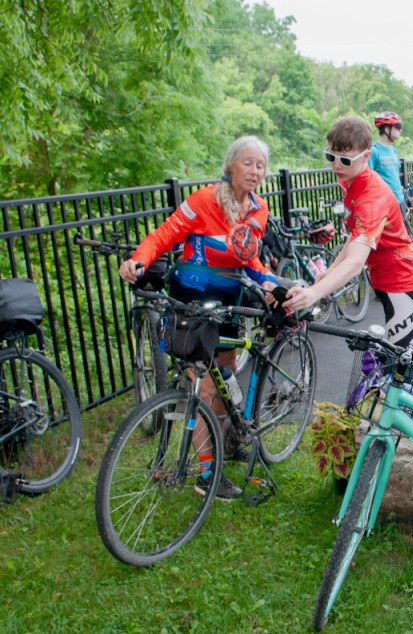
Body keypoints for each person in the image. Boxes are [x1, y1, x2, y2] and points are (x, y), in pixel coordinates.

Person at [119, 135, 279, 501]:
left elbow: (247, 257)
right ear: (231, 165)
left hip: (230, 302)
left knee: (223, 378)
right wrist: (139, 260)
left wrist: (268, 281)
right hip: (192, 302)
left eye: (260, 165)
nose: (255, 171)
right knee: (203, 388)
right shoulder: (204, 200)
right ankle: (208, 475)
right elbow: (165, 235)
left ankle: (225, 441)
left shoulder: (258, 208)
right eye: (248, 163)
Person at [285, 116, 413, 349]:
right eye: (331, 157)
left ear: (366, 156)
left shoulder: (371, 198)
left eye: (344, 159)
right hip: (387, 278)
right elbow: (355, 237)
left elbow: (355, 263)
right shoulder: (352, 180)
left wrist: (313, 294)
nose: (336, 166)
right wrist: (330, 271)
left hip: (403, 280)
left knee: (405, 363)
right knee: (404, 359)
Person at [369, 112, 405, 207]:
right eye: (397, 126)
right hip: (384, 204)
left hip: (399, 200)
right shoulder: (374, 151)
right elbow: (367, 179)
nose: (400, 130)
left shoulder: (393, 150)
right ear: (387, 129)